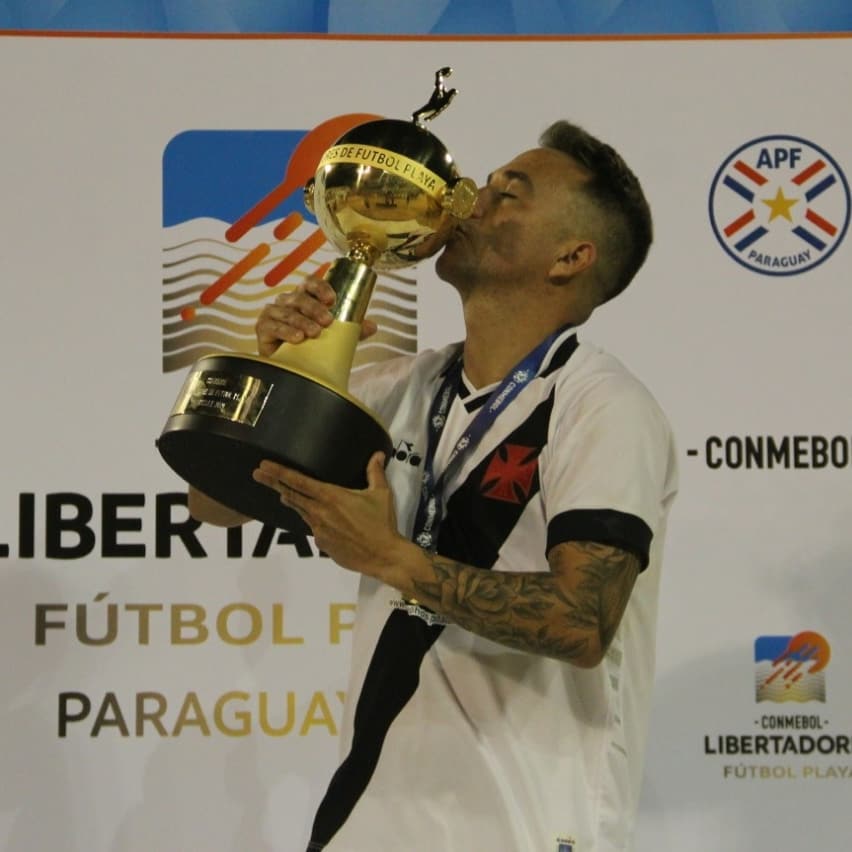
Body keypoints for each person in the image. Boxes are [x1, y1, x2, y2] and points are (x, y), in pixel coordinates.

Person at [190, 120, 678, 851]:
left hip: (523, 828)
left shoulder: (602, 406)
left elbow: (582, 621)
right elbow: (217, 502)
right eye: (487, 183)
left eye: (511, 194)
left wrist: (392, 559)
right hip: (371, 823)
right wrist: (282, 373)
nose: (473, 199)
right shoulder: (403, 386)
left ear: (571, 257)